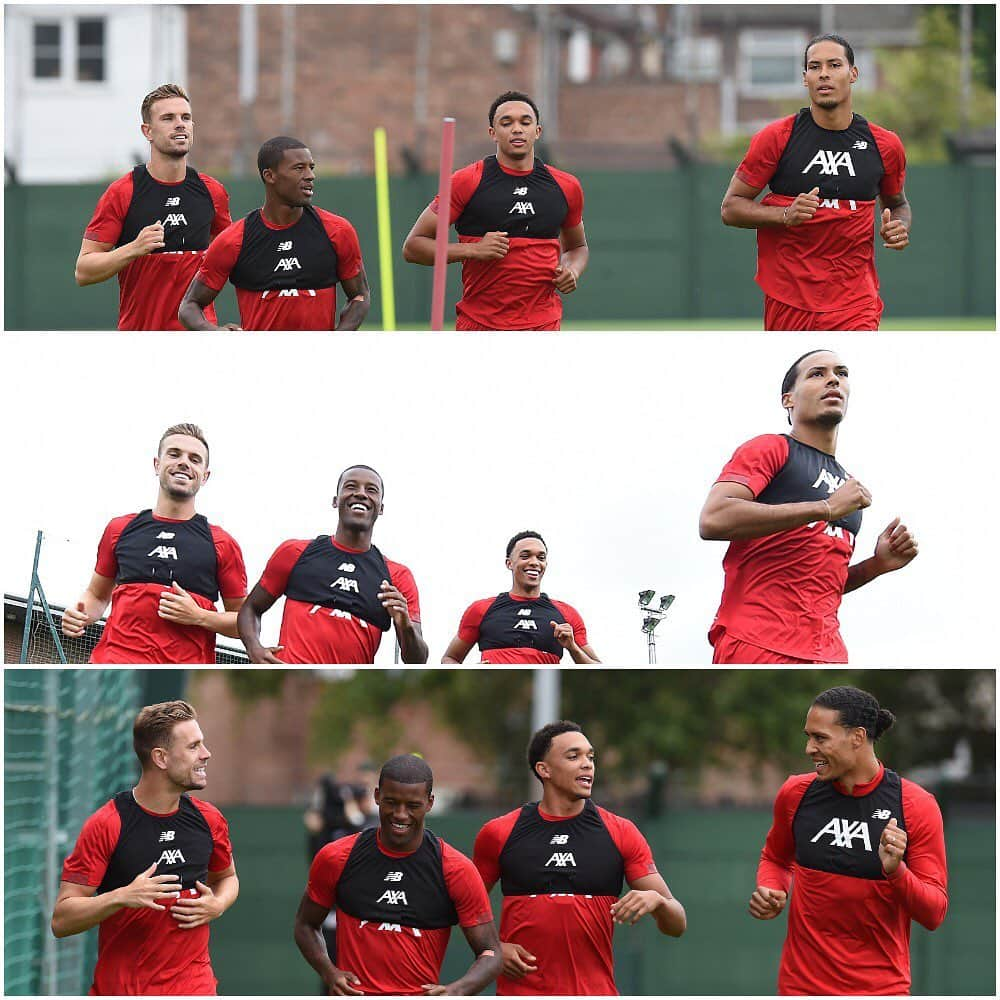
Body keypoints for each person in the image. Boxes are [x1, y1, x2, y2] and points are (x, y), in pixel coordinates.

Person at [699, 349, 918, 664]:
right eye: (817, 374)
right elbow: (713, 519)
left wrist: (877, 565)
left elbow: (821, 584)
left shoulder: (847, 484)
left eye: (841, 374)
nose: (833, 379)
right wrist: (826, 508)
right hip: (757, 642)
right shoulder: (771, 448)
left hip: (828, 653)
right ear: (788, 399)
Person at [751, 686, 947, 995]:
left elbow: (934, 913)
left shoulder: (915, 805)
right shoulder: (795, 794)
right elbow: (775, 858)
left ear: (857, 737)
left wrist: (896, 872)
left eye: (821, 738)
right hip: (800, 989)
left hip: (881, 990)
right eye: (808, 737)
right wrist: (772, 887)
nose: (809, 749)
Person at [473, 721, 685, 995]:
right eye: (574, 756)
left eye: (590, 757)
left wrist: (657, 901)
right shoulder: (499, 833)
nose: (587, 764)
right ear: (544, 769)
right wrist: (493, 947)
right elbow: (465, 910)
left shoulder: (621, 832)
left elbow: (677, 925)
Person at [720, 34, 910, 331]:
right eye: (814, 66)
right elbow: (730, 208)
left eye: (834, 65)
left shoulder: (885, 144)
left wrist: (899, 226)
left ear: (853, 74)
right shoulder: (776, 138)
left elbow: (898, 204)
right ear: (805, 78)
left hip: (856, 300)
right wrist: (785, 215)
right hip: (790, 299)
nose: (824, 73)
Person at [52, 701, 238, 995]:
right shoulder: (107, 824)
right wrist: (122, 896)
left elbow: (227, 878)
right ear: (161, 758)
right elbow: (61, 920)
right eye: (193, 746)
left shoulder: (209, 819)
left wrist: (218, 904)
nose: (206, 754)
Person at [293, 754, 502, 996]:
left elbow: (491, 952)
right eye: (391, 802)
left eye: (412, 805)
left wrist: (456, 991)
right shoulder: (337, 857)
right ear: (377, 796)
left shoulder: (455, 869)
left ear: (430, 802)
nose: (401, 814)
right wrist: (329, 972)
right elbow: (305, 925)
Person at [61, 423, 247, 663]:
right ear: (157, 465)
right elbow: (97, 595)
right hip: (113, 664)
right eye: (174, 454)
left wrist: (200, 616)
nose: (184, 462)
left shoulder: (222, 543)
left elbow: (245, 622)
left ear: (205, 476)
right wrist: (80, 613)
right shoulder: (119, 529)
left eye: (195, 459)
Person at [402, 91, 588, 330]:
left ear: (537, 131)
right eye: (506, 122)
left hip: (543, 324)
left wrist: (572, 270)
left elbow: (577, 247)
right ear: (493, 133)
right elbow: (413, 247)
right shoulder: (467, 181)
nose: (517, 129)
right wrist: (473, 250)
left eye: (525, 122)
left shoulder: (566, 186)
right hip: (481, 323)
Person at [75, 84, 232, 331]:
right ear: (147, 131)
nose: (180, 124)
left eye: (186, 117)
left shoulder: (213, 192)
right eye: (168, 118)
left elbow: (231, 259)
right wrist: (134, 248)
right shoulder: (123, 192)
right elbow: (83, 271)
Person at [237, 464, 427, 664]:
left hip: (343, 689)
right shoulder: (294, 552)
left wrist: (404, 624)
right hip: (290, 684)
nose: (361, 494)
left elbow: (418, 659)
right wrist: (254, 648)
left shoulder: (397, 577)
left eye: (371, 490)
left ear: (381, 508)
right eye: (351, 486)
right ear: (336, 501)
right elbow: (250, 608)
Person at [179, 136, 369, 330]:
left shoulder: (338, 231)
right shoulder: (234, 240)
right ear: (270, 176)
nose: (310, 175)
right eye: (298, 168)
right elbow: (189, 306)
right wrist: (214, 332)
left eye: (311, 167)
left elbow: (359, 296)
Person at [441, 531, 600, 664]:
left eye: (541, 557)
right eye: (525, 556)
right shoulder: (481, 609)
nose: (534, 562)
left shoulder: (566, 614)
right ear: (509, 563)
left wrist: (573, 648)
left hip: (538, 697)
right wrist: (471, 672)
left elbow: (598, 666)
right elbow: (450, 658)